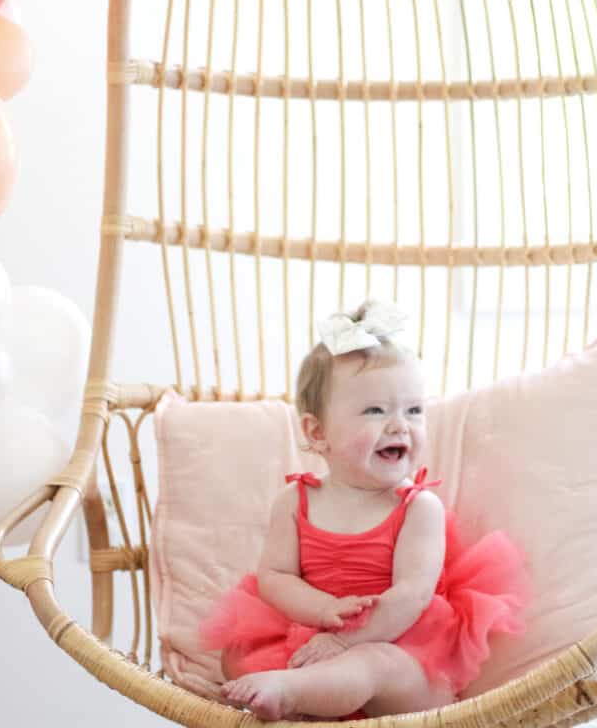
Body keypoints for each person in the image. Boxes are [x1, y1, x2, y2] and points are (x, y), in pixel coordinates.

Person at [200, 300, 529, 721]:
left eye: (413, 410)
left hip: (402, 654)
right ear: (317, 432)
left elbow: (411, 595)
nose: (399, 426)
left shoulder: (416, 508)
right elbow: (274, 576)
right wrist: (321, 611)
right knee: (236, 657)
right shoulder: (296, 502)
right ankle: (302, 694)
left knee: (374, 664)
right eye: (376, 410)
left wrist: (346, 643)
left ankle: (292, 695)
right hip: (313, 636)